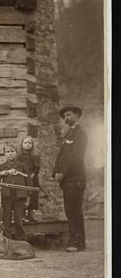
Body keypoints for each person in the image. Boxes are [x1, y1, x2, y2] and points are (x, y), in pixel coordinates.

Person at [53, 104, 88, 252]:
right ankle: (75, 240)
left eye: (69, 115)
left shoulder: (81, 134)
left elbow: (76, 157)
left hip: (76, 178)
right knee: (69, 210)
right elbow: (61, 155)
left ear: (77, 116)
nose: (66, 118)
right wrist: (55, 171)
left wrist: (63, 173)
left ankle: (77, 243)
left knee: (74, 210)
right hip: (67, 180)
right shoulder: (67, 134)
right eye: (65, 116)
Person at [0, 142, 31, 241]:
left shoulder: (22, 166)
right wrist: (1, 174)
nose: (10, 153)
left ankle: (20, 240)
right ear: (4, 154)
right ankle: (7, 241)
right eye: (7, 152)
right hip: (6, 197)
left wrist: (28, 198)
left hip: (19, 197)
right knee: (6, 219)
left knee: (18, 219)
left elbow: (29, 183)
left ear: (16, 152)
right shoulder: (2, 167)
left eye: (12, 151)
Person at [17, 136, 41, 222]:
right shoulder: (19, 156)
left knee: (33, 196)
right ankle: (22, 214)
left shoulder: (35, 155)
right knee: (23, 195)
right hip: (22, 179)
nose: (27, 145)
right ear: (22, 144)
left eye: (29, 143)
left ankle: (31, 214)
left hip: (33, 179)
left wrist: (32, 175)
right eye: (25, 143)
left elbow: (37, 167)